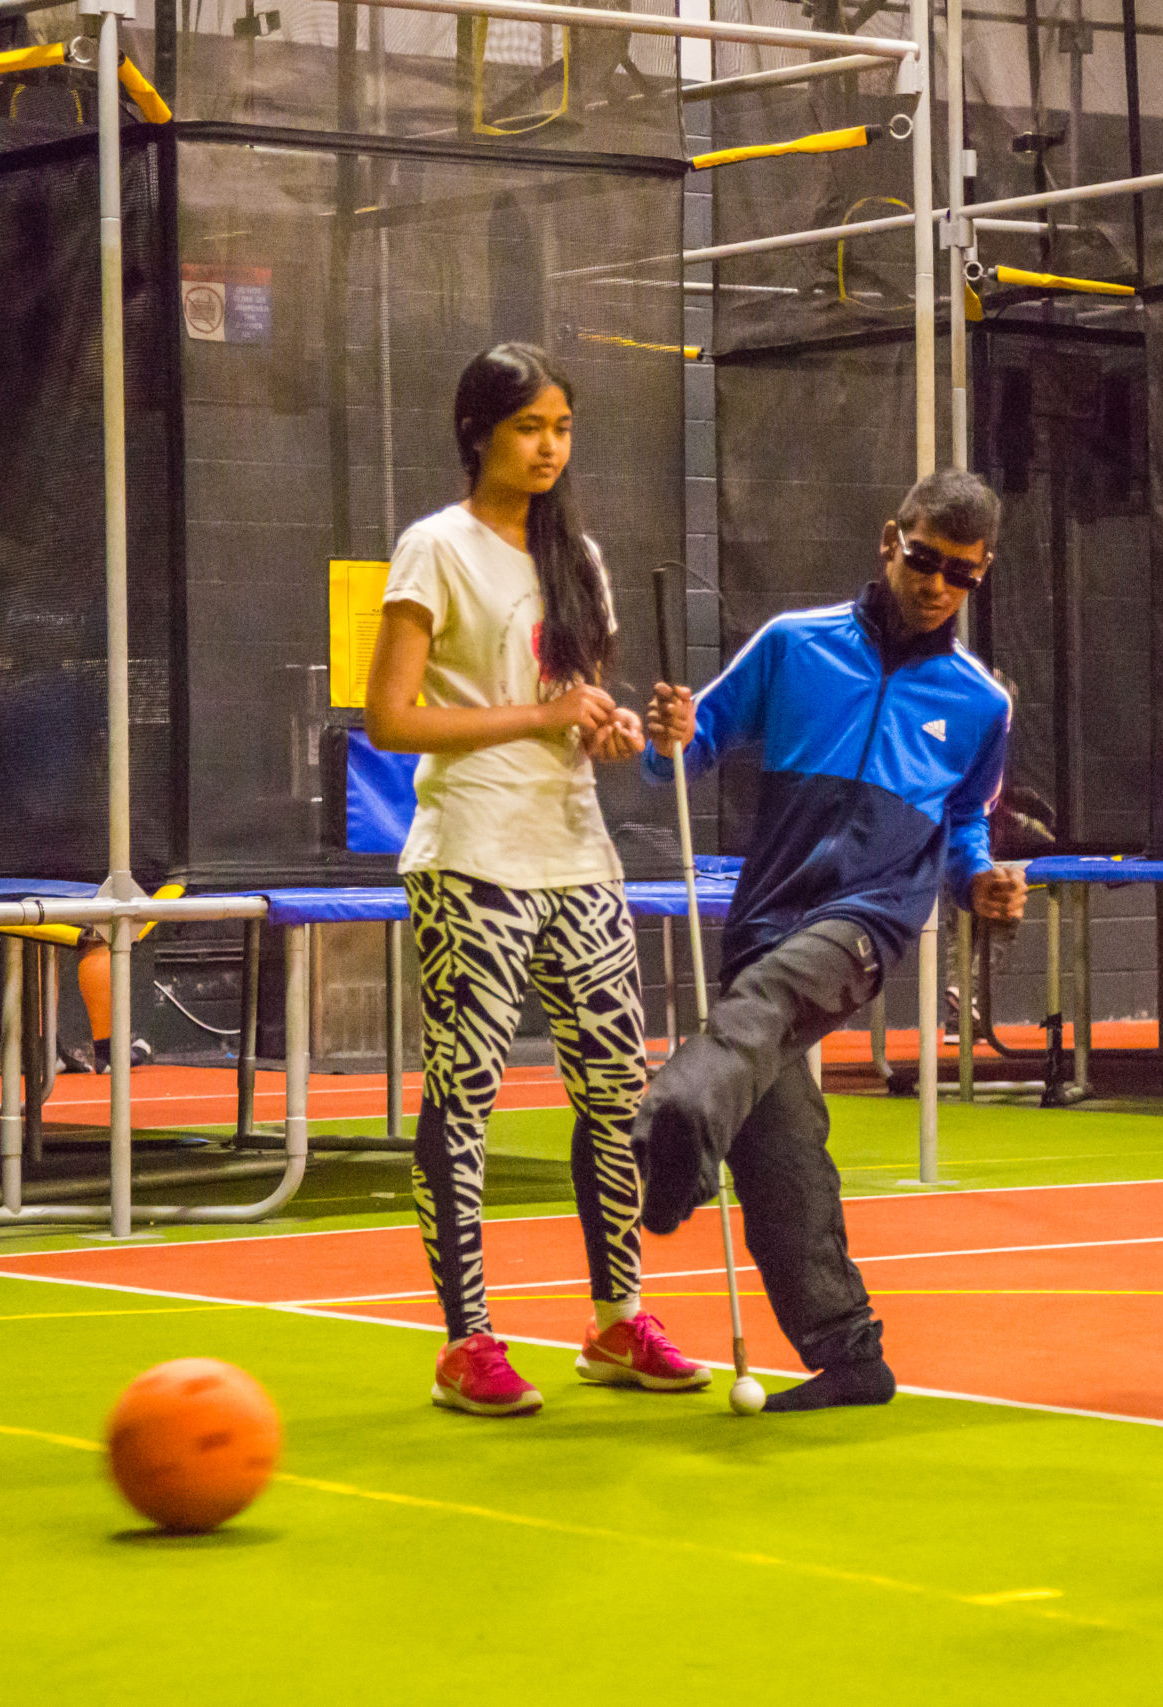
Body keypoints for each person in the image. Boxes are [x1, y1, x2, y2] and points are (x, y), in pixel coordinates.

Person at [636, 467, 1028, 1414]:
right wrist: (669, 733)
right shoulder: (792, 646)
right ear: (890, 539)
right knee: (778, 1146)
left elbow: (965, 820)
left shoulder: (981, 703)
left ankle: (679, 1116)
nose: (937, 585)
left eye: (961, 575)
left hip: (869, 920)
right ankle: (849, 1351)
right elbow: (685, 752)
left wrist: (977, 877)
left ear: (980, 576)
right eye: (925, 560)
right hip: (767, 915)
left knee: (759, 1014)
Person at [363, 341, 706, 1416]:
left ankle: (616, 1318)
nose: (549, 446)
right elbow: (390, 718)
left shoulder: (580, 559)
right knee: (463, 1096)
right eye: (528, 427)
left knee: (614, 1090)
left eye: (562, 426)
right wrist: (544, 715)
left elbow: (582, 718)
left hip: (576, 856)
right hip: (472, 855)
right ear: (479, 432)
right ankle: (467, 1340)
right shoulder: (436, 548)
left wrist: (628, 733)